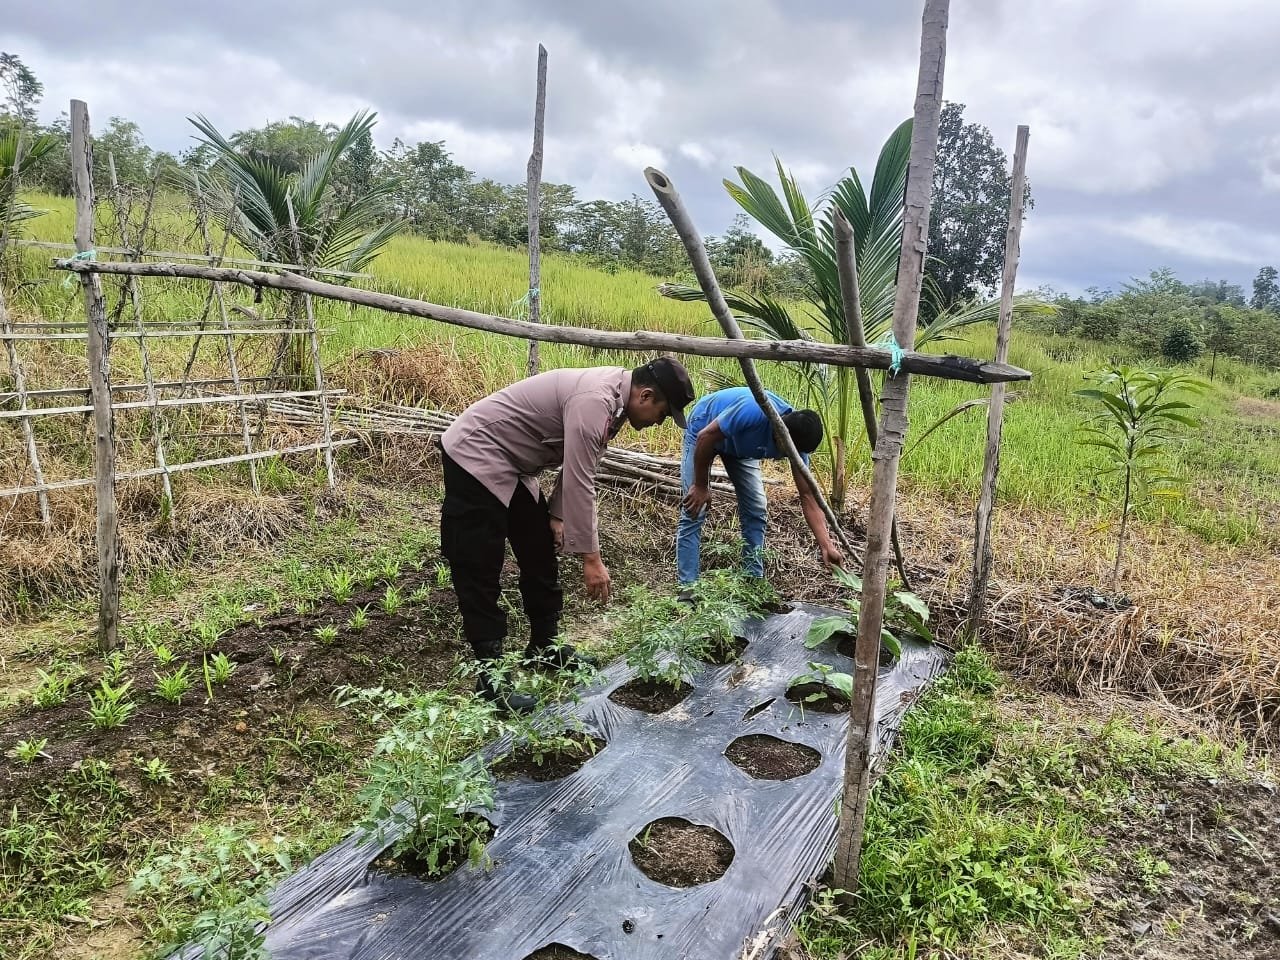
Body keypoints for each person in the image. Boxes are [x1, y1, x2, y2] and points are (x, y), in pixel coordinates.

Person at [441, 358, 695, 712]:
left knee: (539, 550)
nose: (658, 422)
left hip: (515, 463)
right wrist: (592, 559)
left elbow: (581, 463)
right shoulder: (595, 400)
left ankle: (544, 648)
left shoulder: (615, 405)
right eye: (663, 413)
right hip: (477, 452)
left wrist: (558, 514)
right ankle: (490, 680)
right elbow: (580, 481)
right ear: (646, 395)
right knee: (479, 565)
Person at [677, 386, 844, 588]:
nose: (792, 456)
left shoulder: (796, 444)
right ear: (781, 435)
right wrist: (701, 485)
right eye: (789, 451)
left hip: (739, 448)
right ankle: (688, 588)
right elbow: (706, 436)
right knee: (695, 507)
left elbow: (808, 496)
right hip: (704, 429)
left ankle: (752, 583)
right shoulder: (754, 410)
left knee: (756, 508)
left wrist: (826, 544)